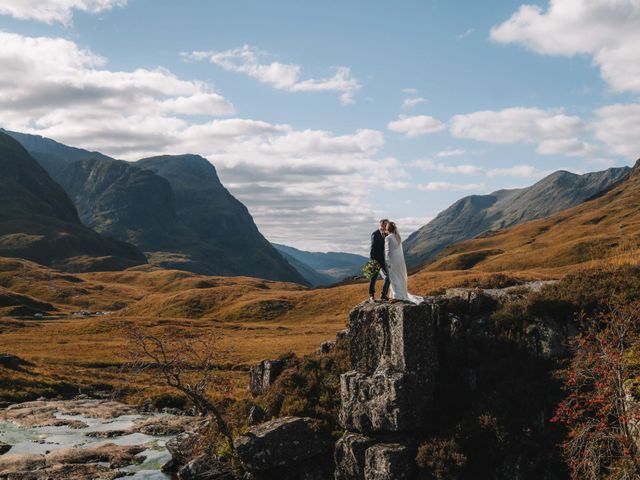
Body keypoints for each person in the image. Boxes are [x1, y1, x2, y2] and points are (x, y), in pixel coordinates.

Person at [384, 221, 424, 304]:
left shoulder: (388, 237)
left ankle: (397, 296)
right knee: (400, 276)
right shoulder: (398, 236)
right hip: (400, 259)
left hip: (393, 260)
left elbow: (387, 252)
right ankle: (399, 294)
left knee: (393, 277)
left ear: (387, 228)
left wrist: (387, 262)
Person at [369, 219, 390, 302]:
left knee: (388, 278)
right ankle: (371, 296)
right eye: (385, 225)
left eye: (387, 225)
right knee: (373, 279)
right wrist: (372, 262)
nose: (387, 226)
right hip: (375, 261)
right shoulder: (375, 234)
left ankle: (383, 295)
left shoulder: (386, 234)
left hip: (383, 261)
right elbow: (372, 249)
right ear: (381, 225)